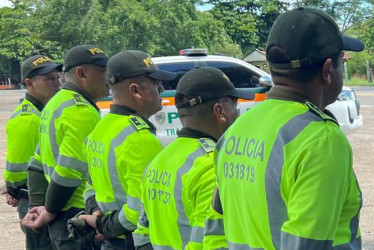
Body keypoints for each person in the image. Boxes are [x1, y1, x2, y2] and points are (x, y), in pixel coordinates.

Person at [212, 7, 364, 249]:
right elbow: (308, 244)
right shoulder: (321, 138)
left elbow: (219, 210)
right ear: (327, 71)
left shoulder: (236, 129)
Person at [133, 67, 255, 249]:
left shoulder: (158, 160)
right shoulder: (212, 168)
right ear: (220, 111)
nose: (237, 114)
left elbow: (142, 234)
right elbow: (212, 244)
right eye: (235, 105)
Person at [78, 50, 176, 250]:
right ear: (135, 90)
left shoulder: (102, 128)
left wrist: (96, 214)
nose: (162, 89)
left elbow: (89, 186)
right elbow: (141, 208)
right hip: (131, 241)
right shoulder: (139, 139)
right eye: (156, 83)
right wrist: (101, 225)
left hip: (112, 238)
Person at [21, 45, 109, 250]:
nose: (110, 77)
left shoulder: (55, 103)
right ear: (81, 74)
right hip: (76, 214)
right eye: (104, 71)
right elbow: (69, 172)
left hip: (60, 211)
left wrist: (41, 207)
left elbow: (38, 161)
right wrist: (48, 211)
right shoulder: (80, 111)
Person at [3, 54, 61, 250]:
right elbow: (17, 167)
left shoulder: (46, 111)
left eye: (57, 77)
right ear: (29, 84)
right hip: (34, 201)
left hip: (49, 199)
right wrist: (14, 190)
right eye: (49, 79)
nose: (57, 83)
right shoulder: (27, 118)